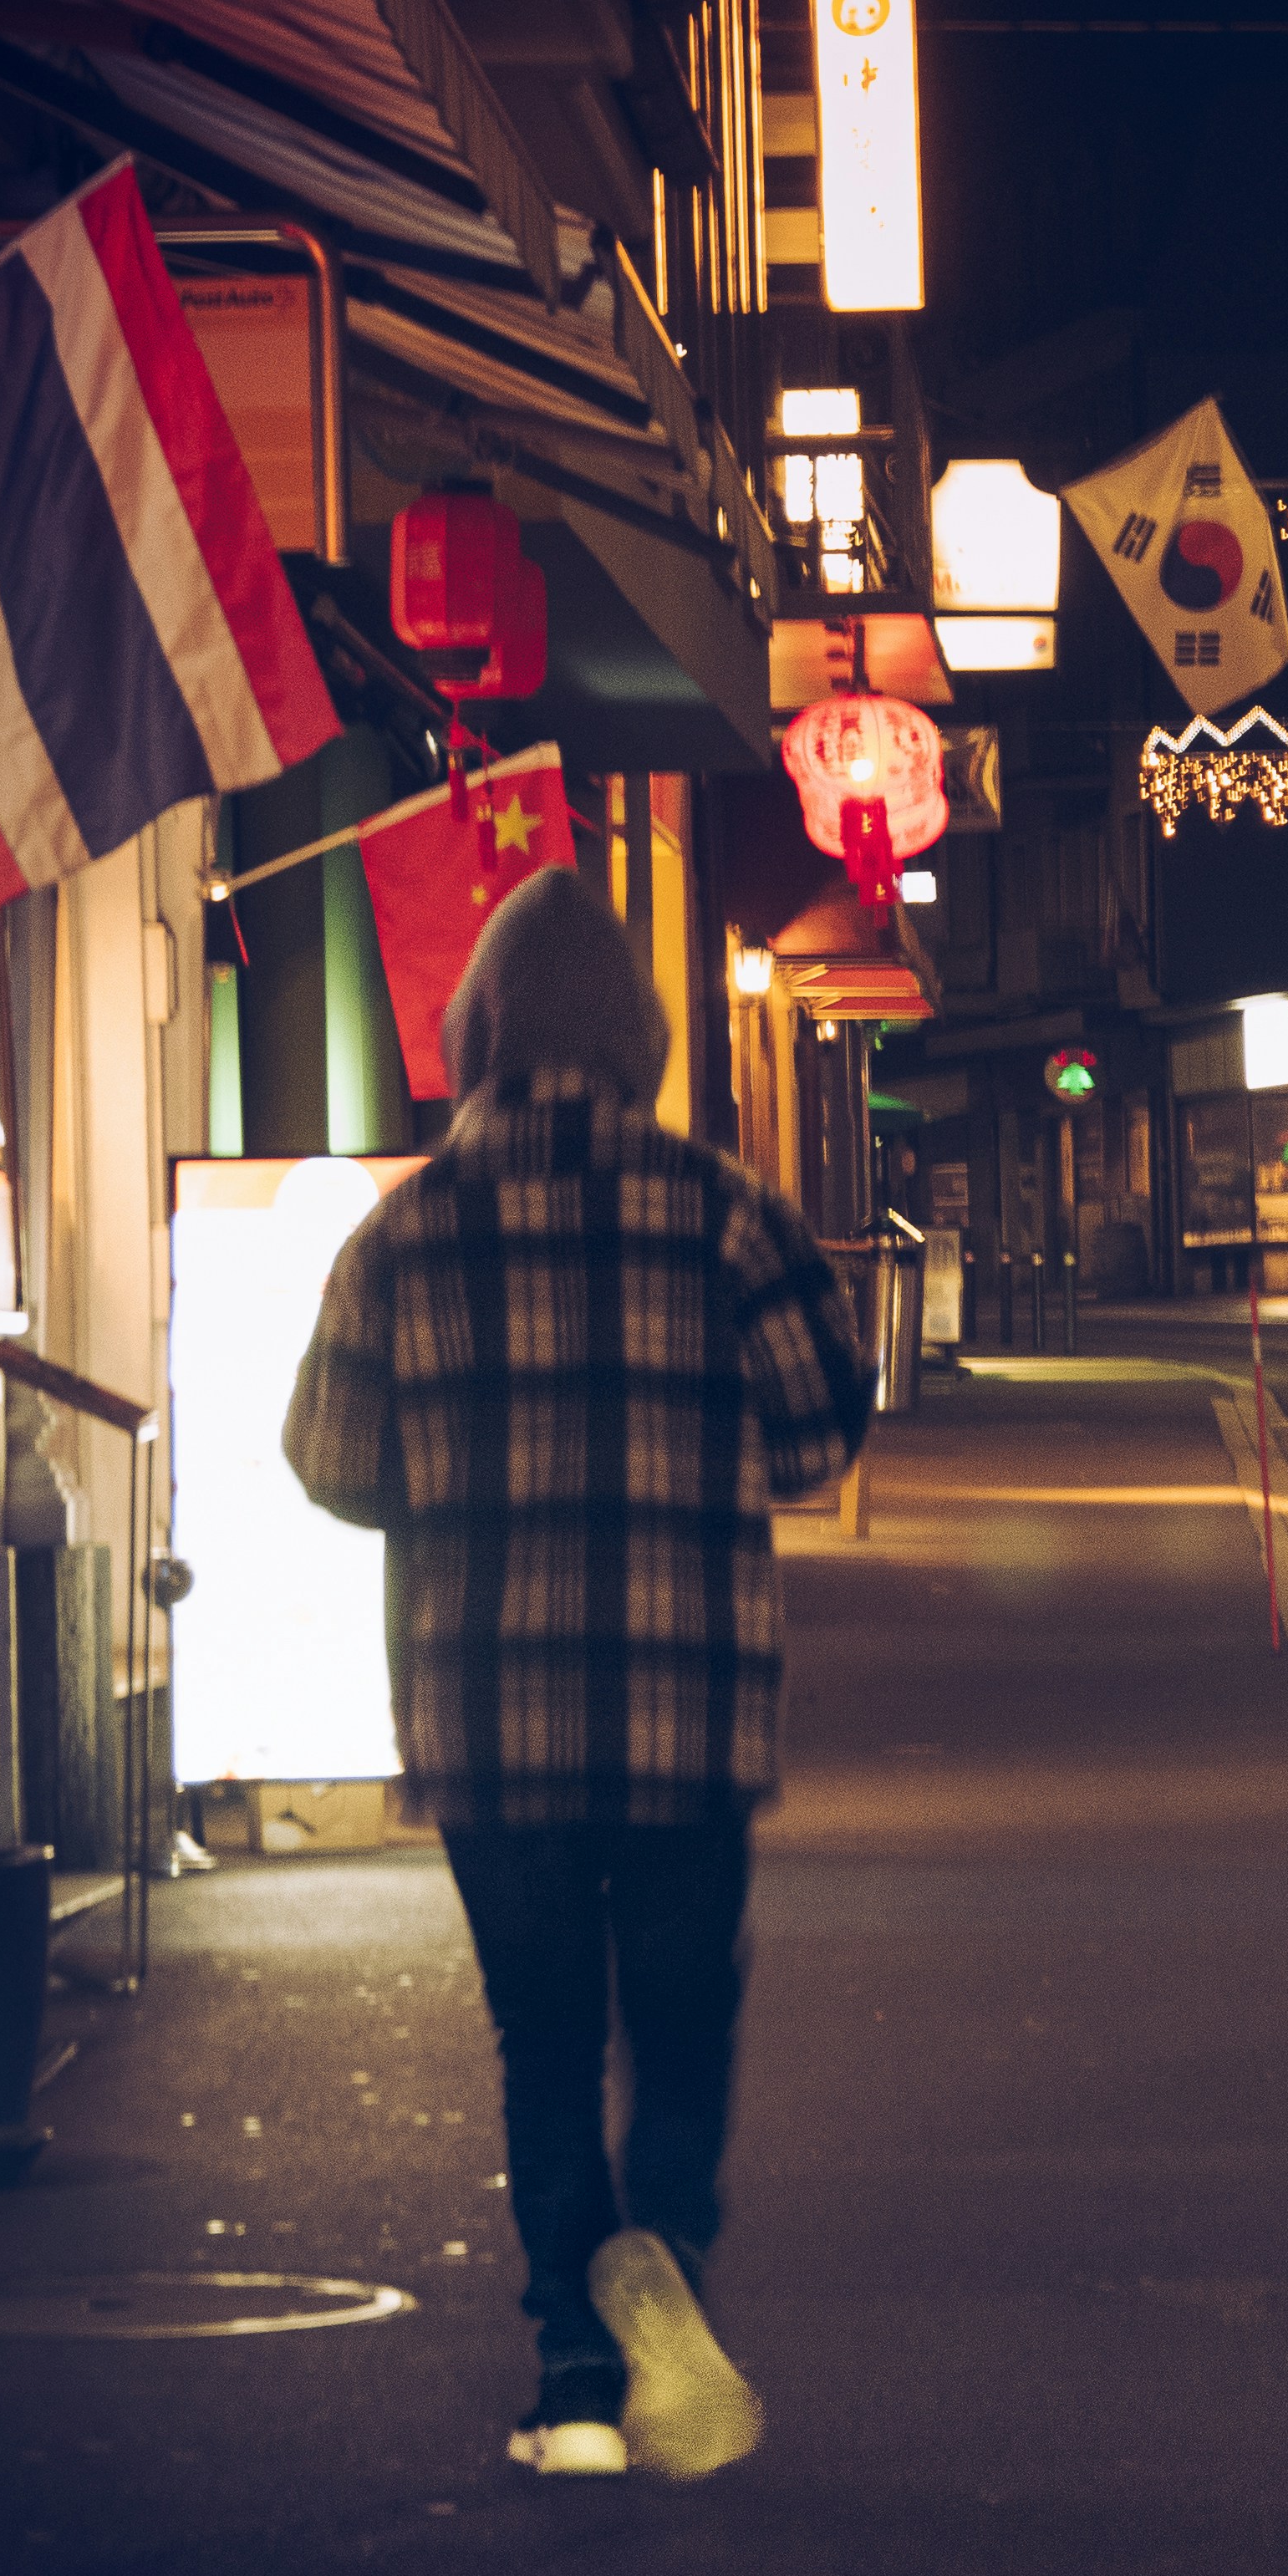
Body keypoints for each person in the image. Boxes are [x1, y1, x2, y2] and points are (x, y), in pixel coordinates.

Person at [284, 868, 870, 2481]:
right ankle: (662, 2256)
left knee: (541, 2041)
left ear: (475, 1036)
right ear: (646, 1043)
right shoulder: (728, 1209)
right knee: (680, 2019)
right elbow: (823, 1429)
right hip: (687, 1709)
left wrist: (465, 1483)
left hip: (489, 1718)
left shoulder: (399, 1235)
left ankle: (573, 2380)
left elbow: (326, 1461)